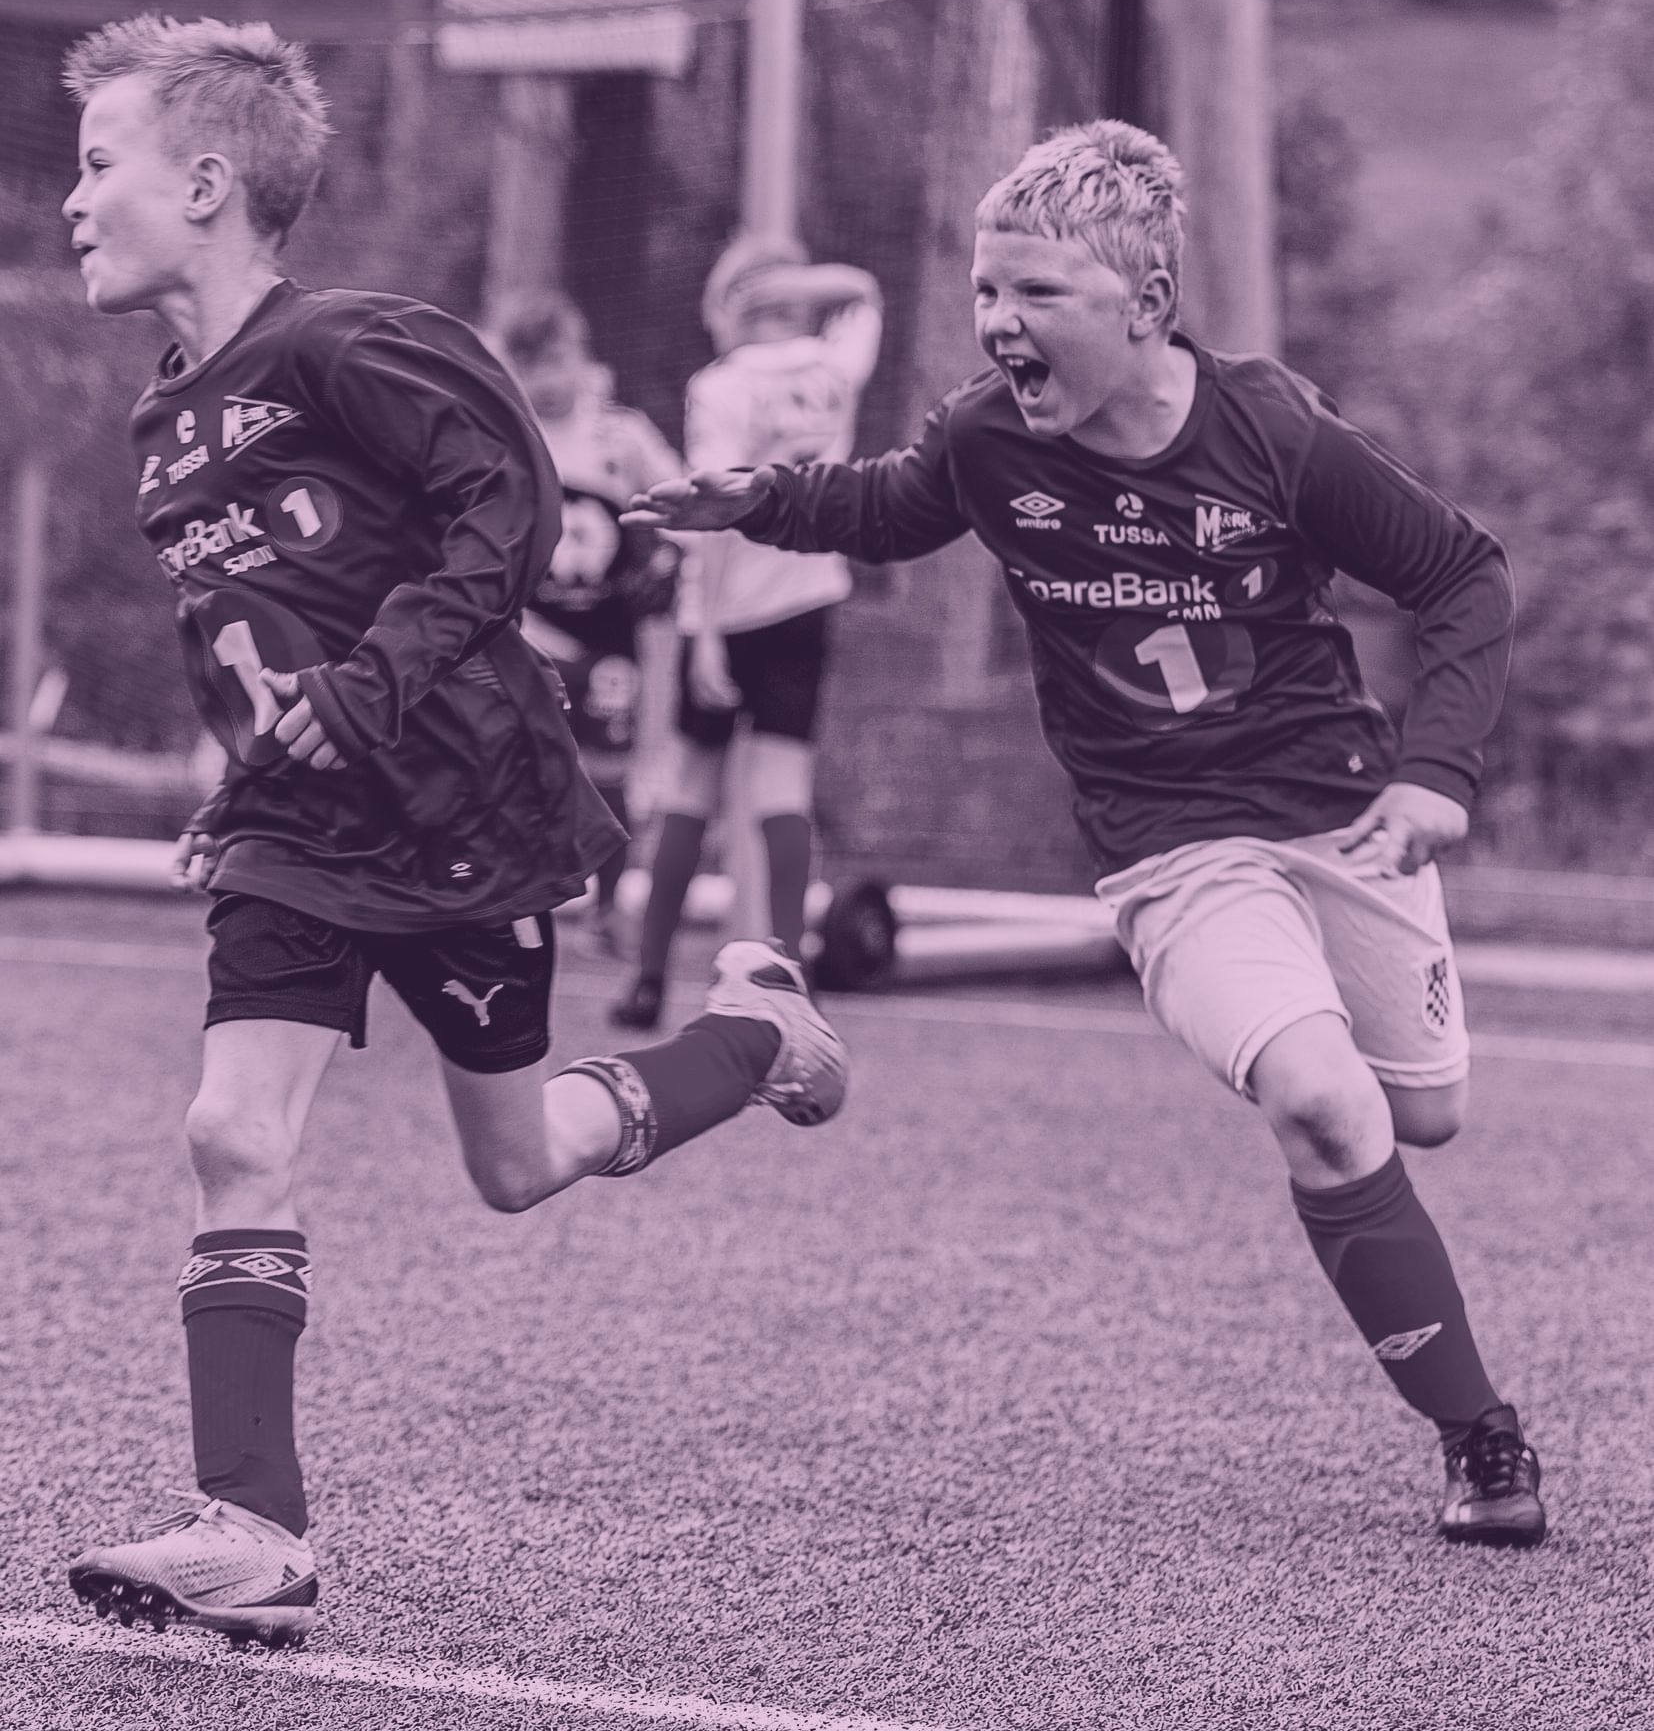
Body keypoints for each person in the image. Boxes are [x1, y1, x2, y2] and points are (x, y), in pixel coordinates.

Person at [624, 118, 1545, 1548]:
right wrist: (763, 503)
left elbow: (1463, 577)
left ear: (1146, 304)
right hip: (1170, 844)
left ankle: (1371, 1158)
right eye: (985, 290)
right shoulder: (988, 437)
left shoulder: (1276, 431)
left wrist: (1434, 774)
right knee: (1323, 1103)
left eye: (1035, 292)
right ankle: (1478, 1437)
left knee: (1423, 1114)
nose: (997, 321)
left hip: (1342, 820)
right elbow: (891, 504)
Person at [57, 15, 848, 1648]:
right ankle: (254, 1532)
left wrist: (376, 684)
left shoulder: (349, 345)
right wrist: (240, 781)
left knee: (513, 1164)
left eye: (95, 163)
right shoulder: (162, 425)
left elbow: (512, 506)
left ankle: (751, 1036)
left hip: (462, 813)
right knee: (230, 1130)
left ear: (204, 185)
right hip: (297, 837)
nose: (70, 200)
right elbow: (250, 639)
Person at [610, 237, 882, 1029]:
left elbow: (717, 505)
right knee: (782, 793)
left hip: (730, 612)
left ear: (732, 306)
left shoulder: (722, 385)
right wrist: (799, 283)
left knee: (690, 790)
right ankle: (791, 979)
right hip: (808, 601)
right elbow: (863, 286)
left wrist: (707, 633)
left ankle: (648, 979)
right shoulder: (834, 368)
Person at [492, 287, 683, 956]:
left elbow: (678, 499)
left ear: (579, 355)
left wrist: (666, 555)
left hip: (607, 636)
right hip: (528, 631)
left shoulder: (620, 437)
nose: (544, 381)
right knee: (516, 767)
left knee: (608, 773)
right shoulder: (505, 434)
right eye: (528, 366)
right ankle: (510, 904)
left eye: (554, 362)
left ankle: (607, 907)